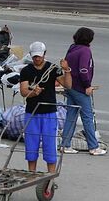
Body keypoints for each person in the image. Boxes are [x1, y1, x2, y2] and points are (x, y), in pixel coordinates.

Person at [19, 41, 72, 173]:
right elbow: (23, 91)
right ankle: (32, 173)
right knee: (31, 146)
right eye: (35, 56)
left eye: (39, 56)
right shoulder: (26, 71)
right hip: (32, 112)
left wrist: (67, 70)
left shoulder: (53, 68)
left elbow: (68, 85)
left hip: (49, 113)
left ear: (44, 54)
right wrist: (33, 92)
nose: (37, 59)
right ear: (31, 56)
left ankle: (50, 175)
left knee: (49, 146)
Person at [60, 27, 106, 156]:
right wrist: (87, 85)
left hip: (70, 86)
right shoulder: (85, 51)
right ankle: (93, 146)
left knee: (71, 116)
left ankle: (65, 144)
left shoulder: (72, 49)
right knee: (87, 117)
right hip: (80, 88)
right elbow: (83, 70)